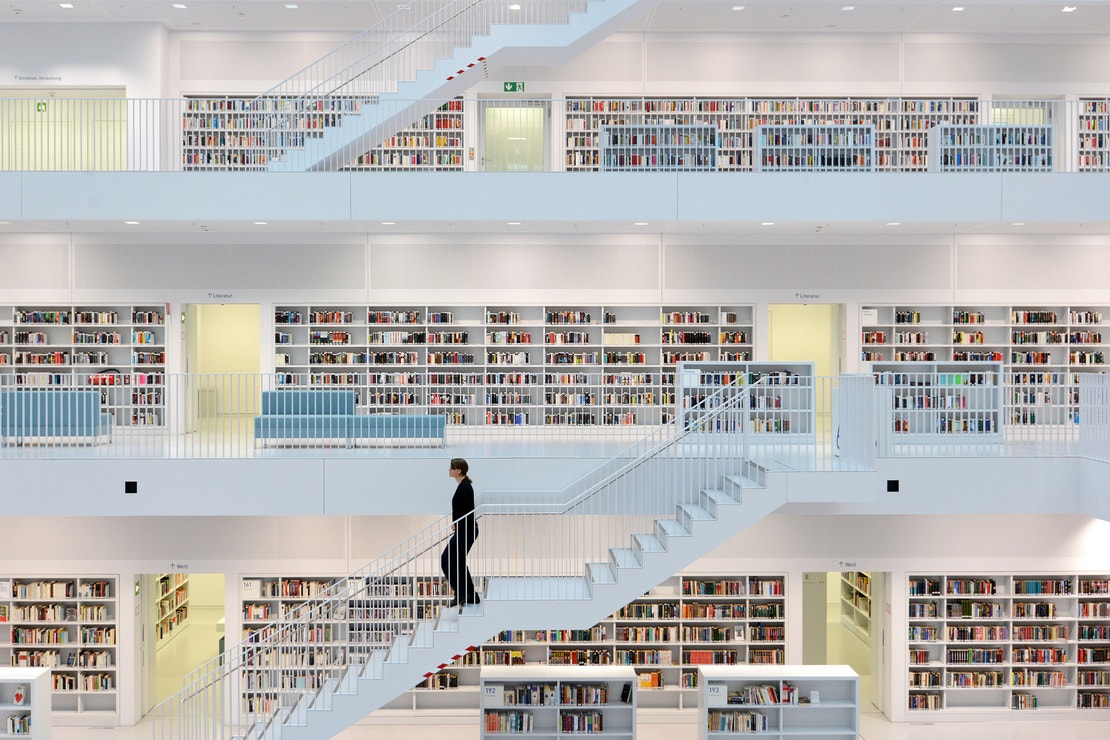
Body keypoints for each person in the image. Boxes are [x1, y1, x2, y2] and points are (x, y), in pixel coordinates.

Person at [441, 458, 480, 608]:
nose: (449, 470)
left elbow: (468, 510)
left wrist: (458, 523)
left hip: (466, 530)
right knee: (458, 562)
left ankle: (461, 592)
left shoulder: (465, 487)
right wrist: (456, 523)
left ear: (459, 470)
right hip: (465, 529)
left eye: (452, 468)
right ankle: (471, 596)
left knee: (446, 559)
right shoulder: (464, 486)